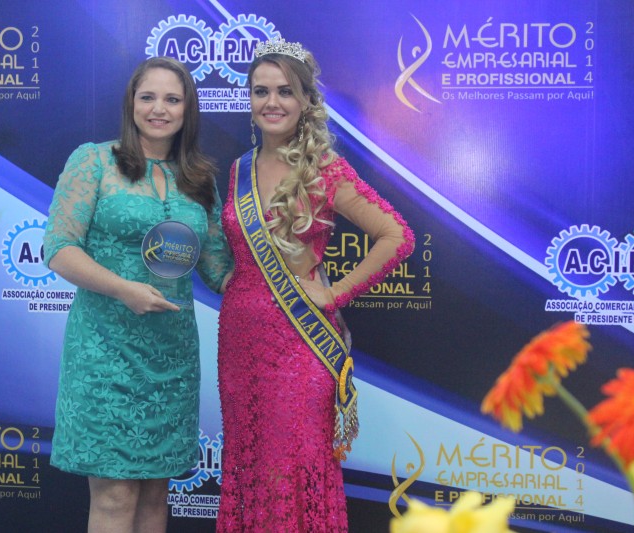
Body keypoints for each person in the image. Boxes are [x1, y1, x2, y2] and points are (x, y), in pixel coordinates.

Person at [216, 37, 415, 532]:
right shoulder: (239, 169)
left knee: (293, 469)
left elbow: (397, 236)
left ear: (306, 101)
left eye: (285, 91)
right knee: (251, 466)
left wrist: (333, 292)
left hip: (299, 345)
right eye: (261, 91)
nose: (272, 102)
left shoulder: (323, 170)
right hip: (239, 344)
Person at [43, 56, 232, 533]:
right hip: (105, 353)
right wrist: (124, 289)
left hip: (172, 358)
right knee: (115, 495)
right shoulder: (94, 161)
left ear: (188, 109)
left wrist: (287, 283)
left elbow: (219, 269)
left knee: (154, 496)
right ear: (131, 103)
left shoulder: (199, 179)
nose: (159, 109)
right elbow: (59, 249)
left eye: (172, 99)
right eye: (148, 97)